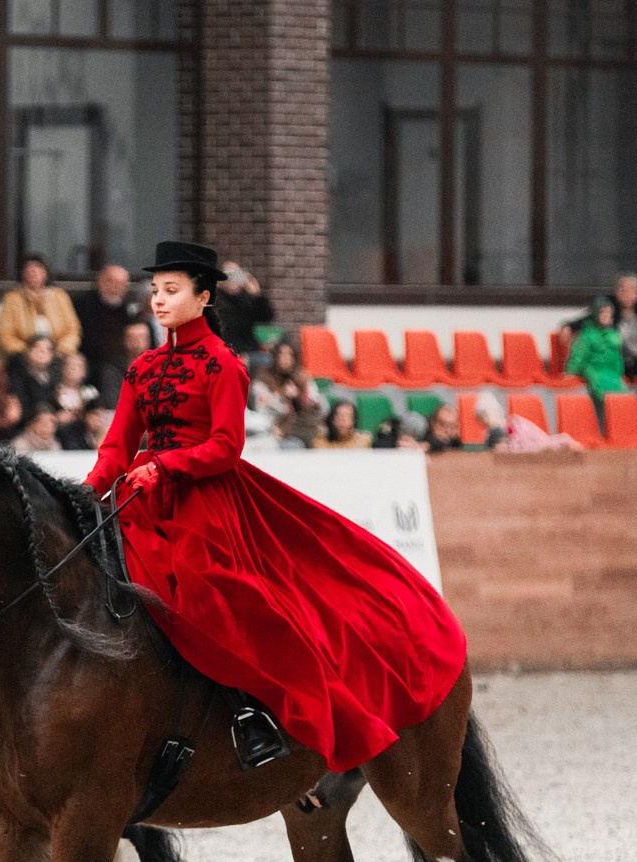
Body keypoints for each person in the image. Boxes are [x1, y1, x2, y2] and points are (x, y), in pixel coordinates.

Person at [83, 239, 467, 772]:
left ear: (202, 296)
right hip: (140, 496)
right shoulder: (142, 366)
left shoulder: (223, 365)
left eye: (171, 290)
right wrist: (89, 488)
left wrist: (166, 466)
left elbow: (224, 447)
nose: (158, 300)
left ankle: (247, 710)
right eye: (154, 291)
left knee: (204, 588)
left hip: (205, 499)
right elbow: (118, 444)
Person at [566, 272, 637, 393]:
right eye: (623, 289)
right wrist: (570, 326)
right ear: (617, 292)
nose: (627, 294)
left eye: (632, 290)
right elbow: (591, 317)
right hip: (625, 360)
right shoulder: (610, 308)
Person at [72, 263, 147, 401]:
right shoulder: (82, 304)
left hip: (119, 363)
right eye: (111, 281)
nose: (116, 287)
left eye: (121, 283)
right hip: (90, 362)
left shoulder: (127, 310)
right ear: (100, 281)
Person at [0, 252, 81, 358]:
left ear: (46, 273)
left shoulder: (60, 296)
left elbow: (72, 330)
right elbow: (6, 334)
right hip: (23, 358)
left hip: (58, 355)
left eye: (38, 269)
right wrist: (29, 352)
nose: (33, 273)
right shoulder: (12, 299)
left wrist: (61, 349)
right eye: (29, 270)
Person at [565, 297, 625, 420]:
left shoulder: (614, 335)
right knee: (603, 390)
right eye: (603, 313)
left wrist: (620, 371)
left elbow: (617, 357)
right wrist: (571, 371)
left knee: (622, 395)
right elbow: (578, 355)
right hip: (594, 369)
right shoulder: (587, 335)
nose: (606, 316)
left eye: (609, 313)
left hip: (612, 372)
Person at [252, 340, 317, 446]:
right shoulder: (263, 379)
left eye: (289, 354)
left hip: (301, 427)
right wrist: (283, 399)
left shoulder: (303, 377)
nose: (285, 358)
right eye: (281, 354)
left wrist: (297, 397)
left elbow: (315, 404)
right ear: (275, 357)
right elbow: (261, 410)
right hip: (273, 428)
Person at [213, 260, 276, 361]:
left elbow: (267, 317)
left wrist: (258, 296)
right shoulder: (216, 299)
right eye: (230, 275)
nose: (233, 280)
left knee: (267, 360)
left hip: (249, 351)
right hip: (225, 351)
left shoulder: (246, 298)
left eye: (237, 275)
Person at [7, 334, 61, 422]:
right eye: (37, 347)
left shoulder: (56, 377)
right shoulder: (17, 375)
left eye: (48, 349)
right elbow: (21, 406)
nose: (42, 352)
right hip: (25, 424)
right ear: (28, 351)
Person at [52, 352, 97, 450]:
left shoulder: (90, 393)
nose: (73, 369)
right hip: (61, 437)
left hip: (86, 437)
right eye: (70, 365)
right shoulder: (53, 391)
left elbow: (96, 415)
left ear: (85, 371)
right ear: (63, 368)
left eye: (78, 366)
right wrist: (56, 419)